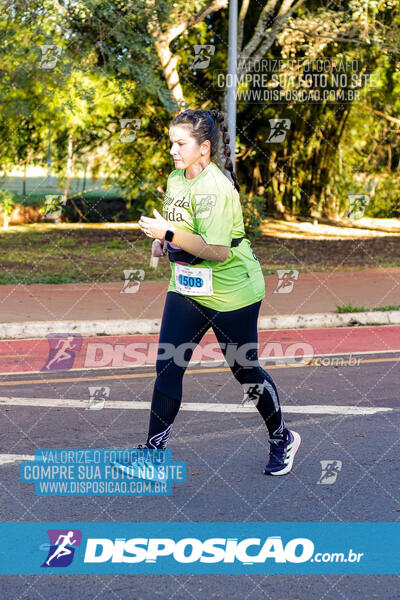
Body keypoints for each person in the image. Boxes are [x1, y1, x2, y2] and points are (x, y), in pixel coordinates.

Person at [120, 108, 301, 476]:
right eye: (171, 141)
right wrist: (163, 244)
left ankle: (282, 437)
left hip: (232, 290)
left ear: (204, 148)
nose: (173, 149)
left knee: (244, 371)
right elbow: (182, 230)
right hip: (187, 287)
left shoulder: (216, 187)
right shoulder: (176, 179)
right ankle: (154, 455)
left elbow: (217, 250)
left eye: (181, 143)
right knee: (168, 367)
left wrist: (167, 234)